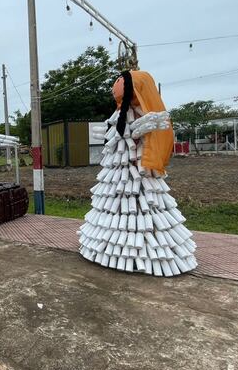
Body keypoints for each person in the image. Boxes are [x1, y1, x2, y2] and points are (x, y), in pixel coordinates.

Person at [78, 70, 197, 276]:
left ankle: (144, 254)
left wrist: (135, 135)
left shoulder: (142, 115)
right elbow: (115, 137)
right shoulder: (120, 115)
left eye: (119, 81)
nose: (114, 85)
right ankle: (111, 249)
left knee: (143, 209)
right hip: (119, 175)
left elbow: (134, 134)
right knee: (115, 209)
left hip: (137, 173)